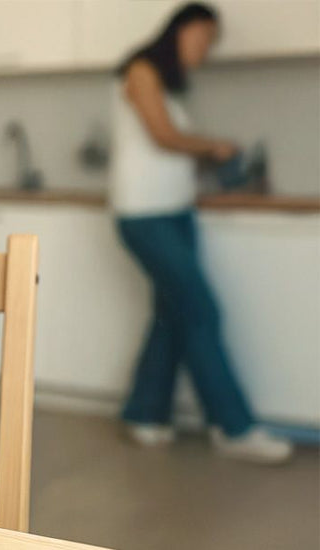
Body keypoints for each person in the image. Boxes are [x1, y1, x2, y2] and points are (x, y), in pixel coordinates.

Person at [111, 2, 291, 463]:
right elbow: (162, 135)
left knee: (172, 315)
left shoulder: (169, 89)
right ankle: (234, 427)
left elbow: (169, 149)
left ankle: (143, 414)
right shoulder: (141, 70)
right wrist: (215, 145)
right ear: (182, 29)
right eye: (204, 38)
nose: (206, 49)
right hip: (144, 215)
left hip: (174, 213)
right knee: (201, 312)